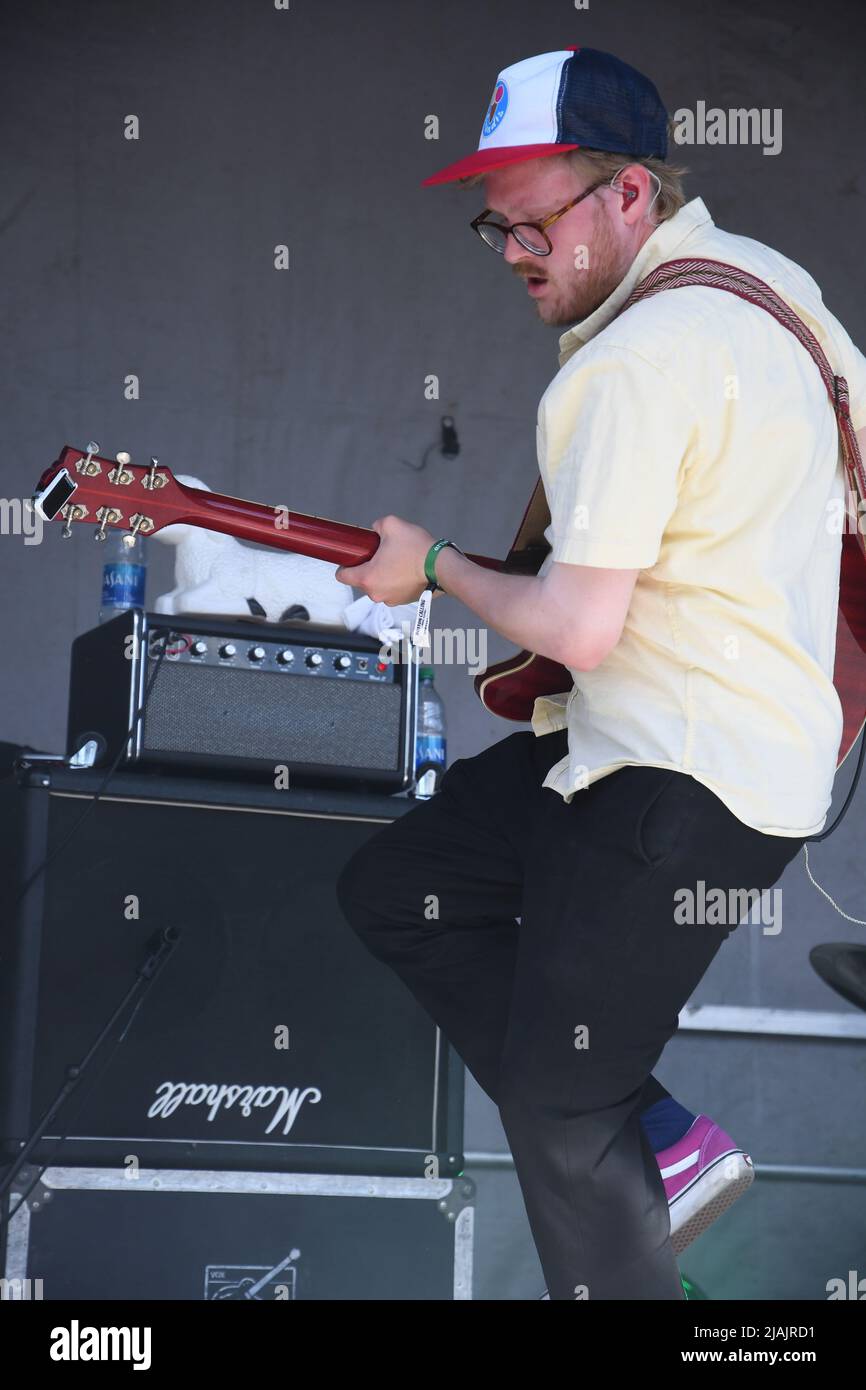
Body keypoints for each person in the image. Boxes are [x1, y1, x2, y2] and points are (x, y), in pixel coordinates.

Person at [334, 47, 866, 1299]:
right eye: (494, 224)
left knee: (563, 1118)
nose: (515, 251)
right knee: (401, 882)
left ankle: (629, 1157)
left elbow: (571, 627)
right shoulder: (776, 291)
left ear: (630, 192)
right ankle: (667, 1138)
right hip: (696, 751)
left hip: (675, 780)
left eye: (536, 219)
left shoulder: (627, 361)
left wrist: (435, 568)